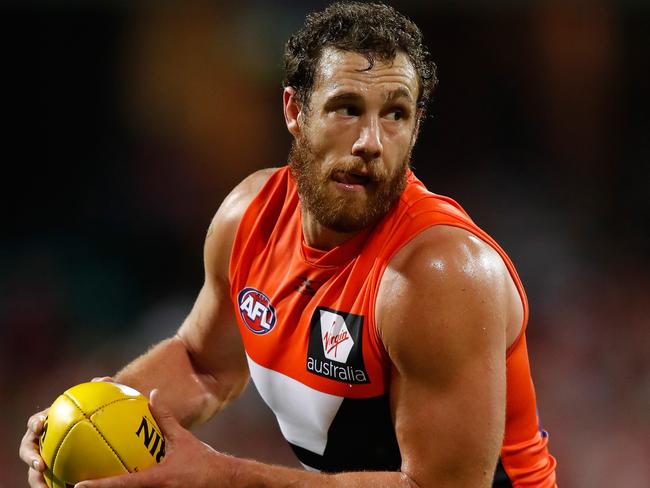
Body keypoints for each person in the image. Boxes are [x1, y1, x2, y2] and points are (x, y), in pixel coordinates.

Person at [20, 2, 557, 487]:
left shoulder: (439, 273)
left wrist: (220, 478)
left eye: (395, 114)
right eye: (347, 108)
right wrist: (84, 416)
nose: (371, 142)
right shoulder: (248, 215)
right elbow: (204, 363)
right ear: (295, 111)